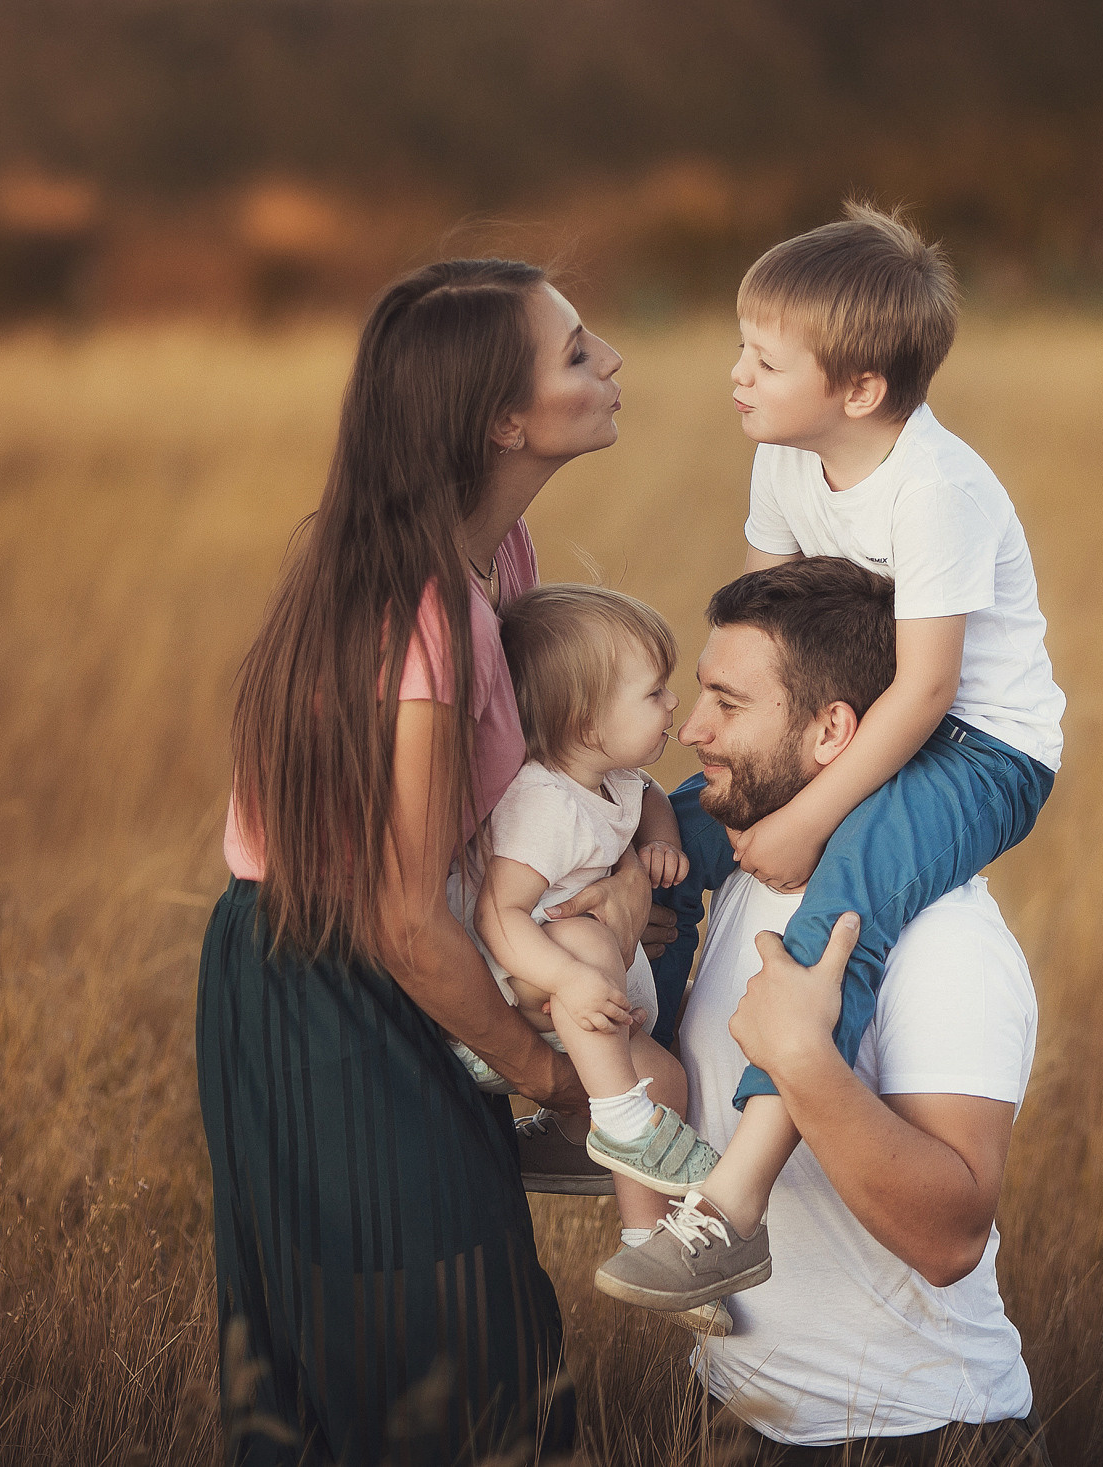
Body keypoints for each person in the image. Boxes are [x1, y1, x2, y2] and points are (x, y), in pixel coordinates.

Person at [196, 258, 648, 1464]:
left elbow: (513, 804)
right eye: (576, 351)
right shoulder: (424, 611)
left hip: (414, 951)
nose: (611, 362)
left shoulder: (502, 558)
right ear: (502, 421)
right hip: (324, 976)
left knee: (469, 1325)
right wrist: (547, 1076)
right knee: (434, 1344)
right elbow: (398, 916)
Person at [623, 202, 1066, 1308]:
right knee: (657, 836)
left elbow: (929, 691)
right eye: (742, 347)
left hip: (978, 748)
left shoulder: (936, 489)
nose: (736, 374)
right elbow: (761, 627)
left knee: (847, 891)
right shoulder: (786, 457)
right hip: (860, 716)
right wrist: (711, 784)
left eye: (765, 361)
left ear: (859, 389)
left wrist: (809, 815)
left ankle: (732, 1204)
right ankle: (637, 1100)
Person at [625, 557, 1052, 1463]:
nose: (691, 728)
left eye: (729, 704)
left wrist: (804, 1062)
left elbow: (951, 1236)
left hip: (912, 1429)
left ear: (832, 731)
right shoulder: (749, 877)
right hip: (732, 1409)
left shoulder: (947, 941)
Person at [450, 584, 725, 1282]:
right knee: (590, 941)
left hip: (584, 997)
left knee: (668, 1080)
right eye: (654, 692)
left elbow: (651, 796)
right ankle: (616, 1117)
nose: (674, 706)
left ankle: (643, 1235)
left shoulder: (615, 778)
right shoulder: (542, 804)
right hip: (526, 983)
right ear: (585, 722)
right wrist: (570, 977)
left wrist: (660, 840)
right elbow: (497, 913)